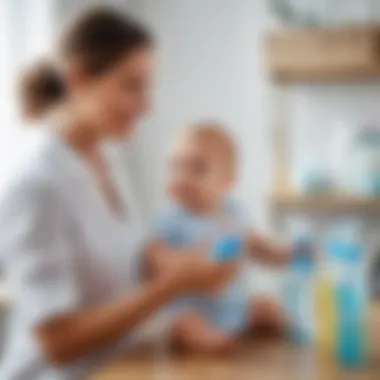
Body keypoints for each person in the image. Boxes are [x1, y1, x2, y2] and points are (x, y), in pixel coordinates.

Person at [0, 8, 237, 380]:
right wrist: (171, 286)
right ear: (78, 79)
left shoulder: (107, 156)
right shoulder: (34, 187)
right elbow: (56, 343)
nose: (147, 105)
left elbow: (135, 250)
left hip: (118, 368)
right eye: (132, 86)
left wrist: (188, 264)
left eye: (147, 87)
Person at [147, 122, 291, 353]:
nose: (182, 177)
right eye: (175, 167)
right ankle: (208, 339)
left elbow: (256, 244)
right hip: (190, 308)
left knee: (266, 306)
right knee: (184, 324)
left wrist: (284, 255)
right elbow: (160, 263)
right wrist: (198, 262)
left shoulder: (234, 213)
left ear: (228, 178)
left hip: (234, 305)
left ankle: (279, 322)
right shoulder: (171, 219)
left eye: (197, 169)